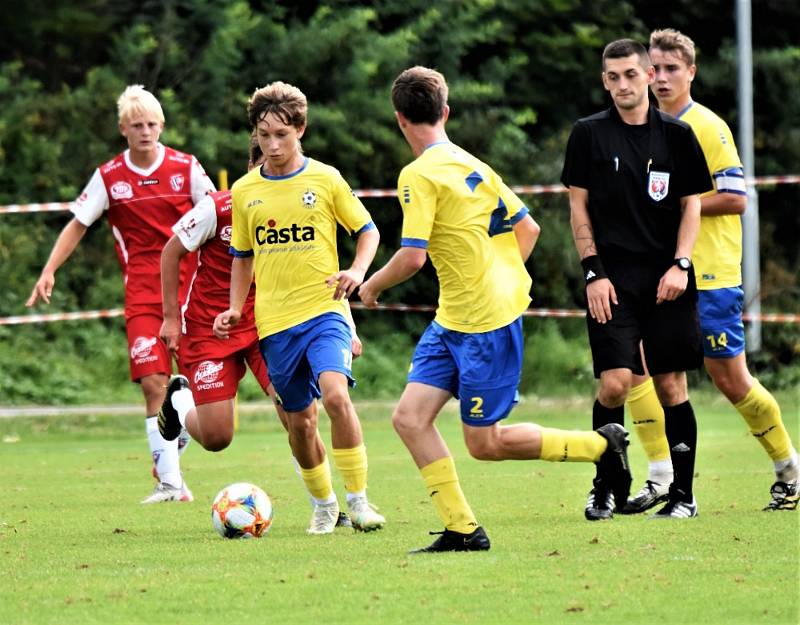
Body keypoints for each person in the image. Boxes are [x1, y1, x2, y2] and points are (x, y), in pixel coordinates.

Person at [358, 65, 632, 553]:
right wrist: (499, 276)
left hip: (484, 323)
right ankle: (463, 529)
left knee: (486, 444)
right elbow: (529, 230)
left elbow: (413, 255)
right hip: (454, 319)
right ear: (446, 111)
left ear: (399, 119)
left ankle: (600, 446)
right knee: (408, 419)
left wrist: (371, 285)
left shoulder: (417, 175)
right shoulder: (474, 164)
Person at [621, 29, 798, 514]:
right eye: (653, 69)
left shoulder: (707, 127)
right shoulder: (642, 127)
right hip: (659, 274)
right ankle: (662, 477)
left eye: (671, 69)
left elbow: (737, 198)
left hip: (711, 274)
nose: (660, 78)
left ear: (691, 72)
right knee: (642, 367)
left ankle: (789, 468)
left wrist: (677, 203)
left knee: (729, 378)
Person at [26, 85, 215, 503]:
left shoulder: (186, 169)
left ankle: (174, 436)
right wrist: (49, 269)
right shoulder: (110, 177)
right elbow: (78, 222)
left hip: (191, 295)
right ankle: (170, 483)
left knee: (198, 388)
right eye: (136, 126)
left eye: (151, 124)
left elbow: (218, 214)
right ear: (123, 130)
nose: (145, 132)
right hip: (144, 295)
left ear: (162, 126)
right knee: (153, 383)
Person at [213, 81, 385, 535]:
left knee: (335, 395)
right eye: (263, 136)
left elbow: (368, 231)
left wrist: (356, 271)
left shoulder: (325, 179)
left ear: (301, 130)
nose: (272, 145)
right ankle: (325, 504)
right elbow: (243, 257)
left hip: (324, 312)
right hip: (274, 323)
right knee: (300, 423)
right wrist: (234, 309)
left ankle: (359, 501)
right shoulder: (246, 191)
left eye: (281, 135)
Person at [158, 134, 356, 528]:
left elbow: (319, 273)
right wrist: (170, 318)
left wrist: (346, 324)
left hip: (271, 324)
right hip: (209, 329)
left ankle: (330, 507)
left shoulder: (297, 206)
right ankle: (182, 403)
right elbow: (170, 252)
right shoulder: (219, 207)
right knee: (216, 437)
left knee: (299, 417)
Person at [561, 39, 713, 520]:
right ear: (604, 81)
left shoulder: (678, 135)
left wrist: (682, 264)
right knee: (614, 384)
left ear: (649, 76)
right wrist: (593, 272)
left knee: (671, 386)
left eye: (630, 74)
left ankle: (683, 497)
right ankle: (605, 486)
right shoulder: (587, 134)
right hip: (611, 278)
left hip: (667, 276)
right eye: (612, 77)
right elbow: (577, 206)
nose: (622, 84)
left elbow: (692, 204)